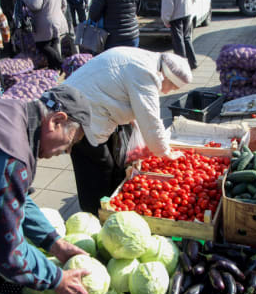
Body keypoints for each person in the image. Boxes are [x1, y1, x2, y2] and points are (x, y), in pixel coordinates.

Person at [0, 85, 99, 294]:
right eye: (71, 142)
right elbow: (6, 250)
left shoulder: (12, 113)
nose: (68, 151)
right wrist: (57, 279)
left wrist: (53, 242)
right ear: (56, 121)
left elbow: (13, 198)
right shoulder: (10, 157)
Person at [64, 47, 193, 214]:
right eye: (172, 87)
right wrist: (164, 152)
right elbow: (150, 119)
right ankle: (95, 212)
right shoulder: (146, 73)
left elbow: (122, 89)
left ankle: (104, 204)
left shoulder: (146, 59)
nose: (167, 91)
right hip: (81, 116)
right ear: (166, 75)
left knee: (105, 163)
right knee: (97, 165)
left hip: (85, 106)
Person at [19, 0, 68, 70]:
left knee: (42, 45)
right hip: (57, 20)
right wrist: (59, 14)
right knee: (53, 43)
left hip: (44, 22)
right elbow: (64, 4)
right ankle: (53, 68)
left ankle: (61, 63)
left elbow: (36, 5)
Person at [161, 0, 198, 70]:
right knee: (186, 38)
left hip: (176, 15)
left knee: (178, 41)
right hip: (187, 11)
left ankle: (182, 66)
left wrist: (166, 19)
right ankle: (193, 63)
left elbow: (168, 4)